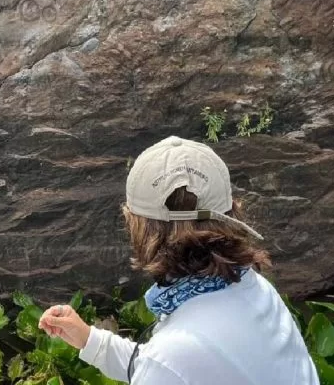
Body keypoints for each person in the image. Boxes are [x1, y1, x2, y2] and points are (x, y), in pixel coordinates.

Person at [38, 136, 319, 385]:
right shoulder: (253, 290)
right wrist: (90, 339)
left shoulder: (172, 357)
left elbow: (169, 367)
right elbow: (173, 367)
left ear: (139, 226)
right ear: (231, 213)